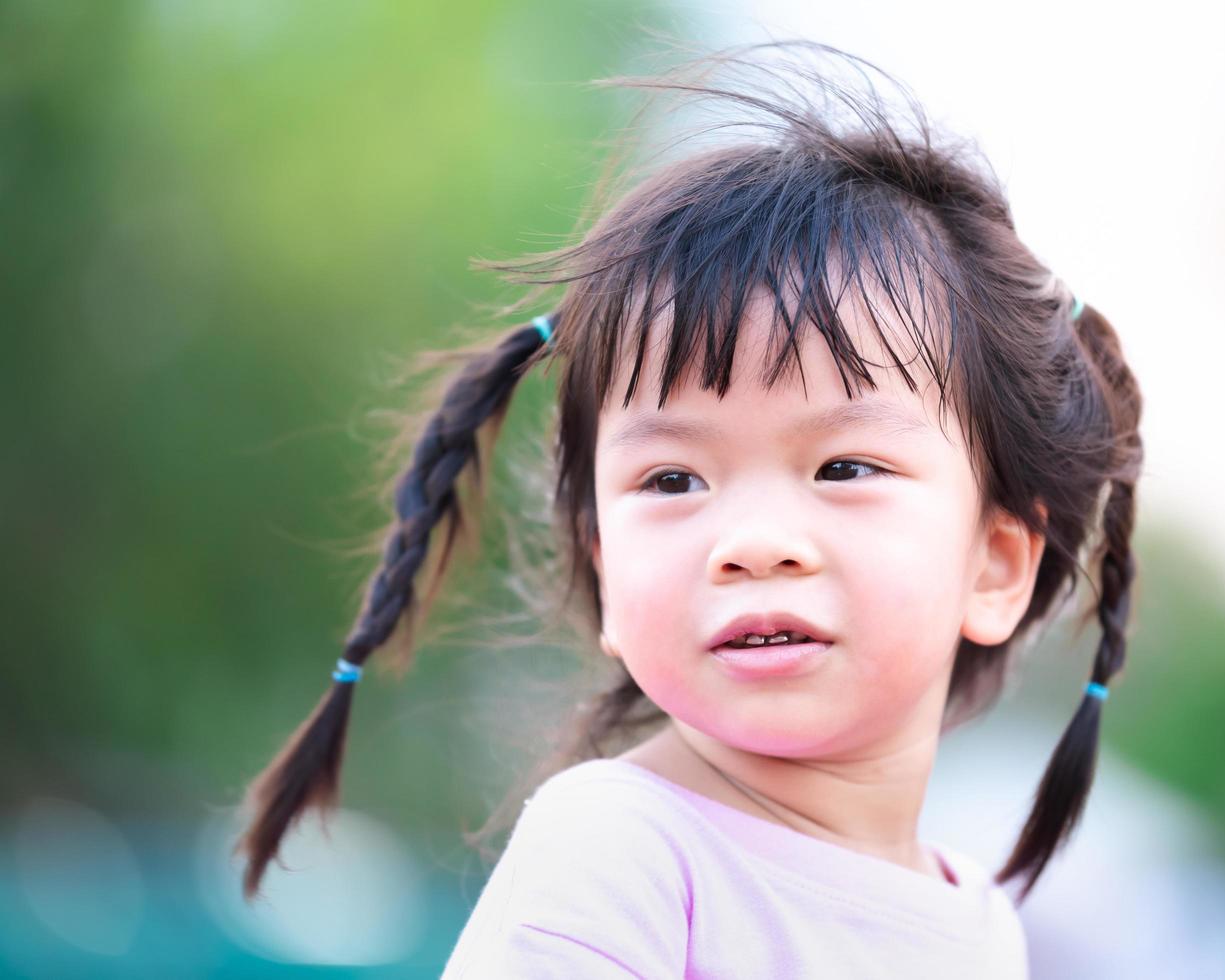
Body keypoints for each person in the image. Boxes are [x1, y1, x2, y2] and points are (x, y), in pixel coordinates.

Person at [233, 38, 1144, 978]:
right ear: (604, 563)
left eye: (843, 466)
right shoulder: (622, 850)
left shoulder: (979, 930)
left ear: (993, 564)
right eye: (672, 481)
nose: (750, 544)